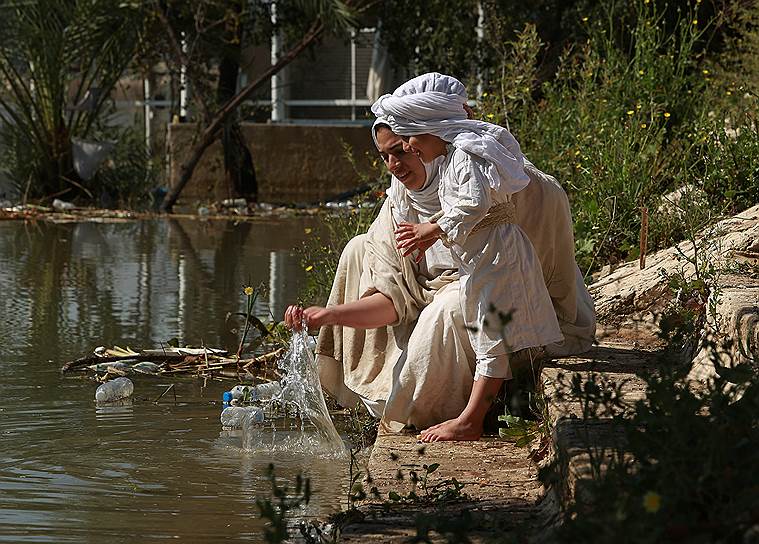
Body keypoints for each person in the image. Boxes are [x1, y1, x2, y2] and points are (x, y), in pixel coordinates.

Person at [285, 74, 595, 442]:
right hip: (446, 297)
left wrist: (436, 231)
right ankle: (361, 392)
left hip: (513, 303)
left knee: (451, 309)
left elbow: (544, 279)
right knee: (358, 248)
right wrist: (327, 316)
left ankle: (456, 412)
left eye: (402, 149)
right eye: (385, 155)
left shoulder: (523, 186)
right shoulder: (400, 201)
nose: (395, 165)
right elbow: (394, 299)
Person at [370, 73, 563, 440]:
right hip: (481, 258)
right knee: (486, 332)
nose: (409, 148)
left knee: (491, 334)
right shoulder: (454, 158)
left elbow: (473, 204)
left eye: (411, 137)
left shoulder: (466, 156)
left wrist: (433, 230)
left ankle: (472, 419)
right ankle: (481, 411)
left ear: (436, 128)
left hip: (496, 254)